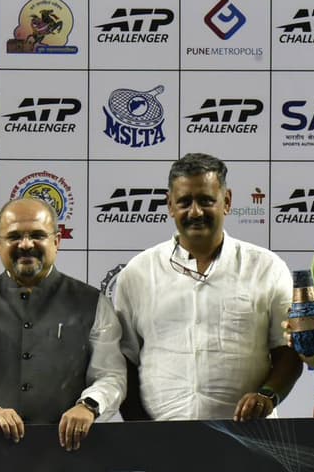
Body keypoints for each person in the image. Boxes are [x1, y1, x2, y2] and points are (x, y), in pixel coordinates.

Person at [112, 152, 302, 422]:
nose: (195, 212)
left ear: (226, 201)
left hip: (250, 441)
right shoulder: (137, 273)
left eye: (206, 200)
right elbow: (124, 360)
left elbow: (288, 351)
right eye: (184, 202)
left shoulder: (267, 268)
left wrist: (268, 395)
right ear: (169, 205)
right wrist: (142, 432)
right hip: (161, 441)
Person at [0, 197, 125, 450]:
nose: (26, 245)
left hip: (70, 454)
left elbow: (111, 375)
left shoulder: (93, 303)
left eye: (37, 235)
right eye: (13, 237)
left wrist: (89, 405)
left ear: (56, 242)